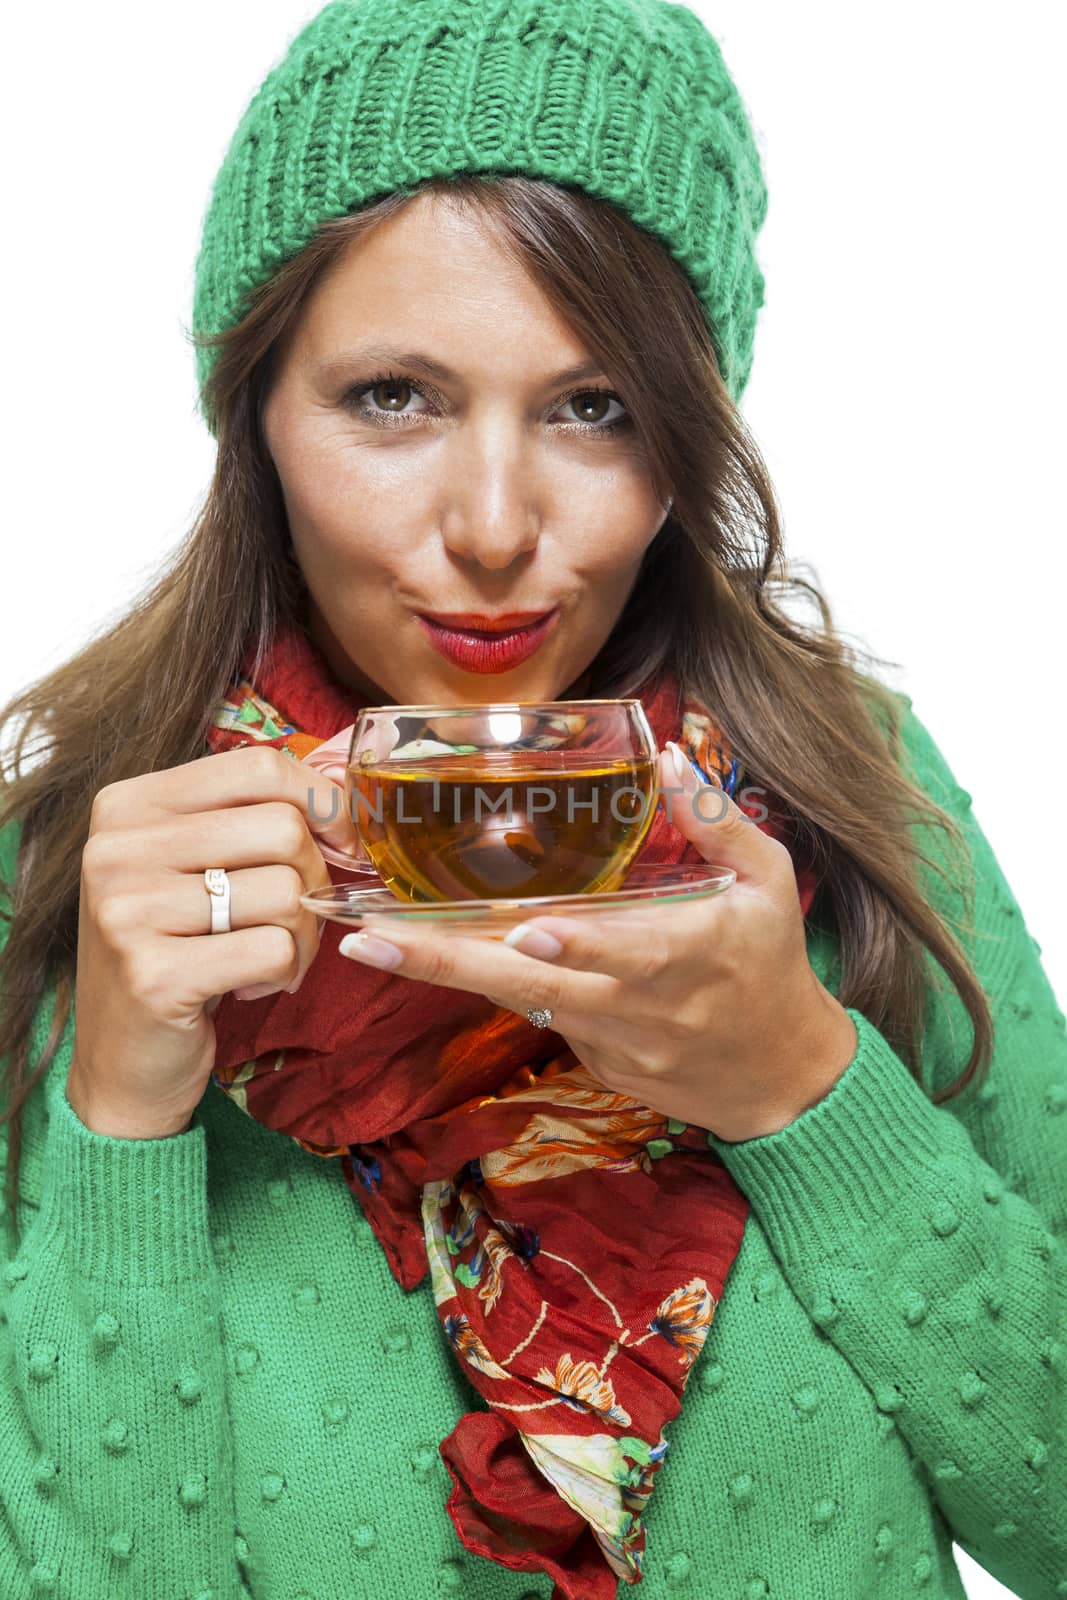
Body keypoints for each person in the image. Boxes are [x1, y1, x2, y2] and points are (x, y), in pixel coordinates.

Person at [1, 0, 1064, 1595]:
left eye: (593, 407)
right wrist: (124, 1125)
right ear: (256, 413)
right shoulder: (80, 885)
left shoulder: (855, 800)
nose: (495, 526)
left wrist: (800, 1086)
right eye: (393, 399)